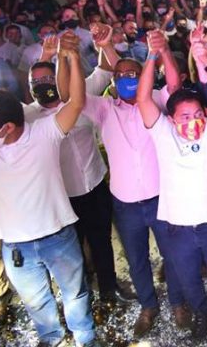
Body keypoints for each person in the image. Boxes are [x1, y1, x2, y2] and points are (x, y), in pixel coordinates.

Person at [0, 34, 97, 346]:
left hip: (57, 237)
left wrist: (71, 58)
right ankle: (51, 338)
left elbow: (76, 103)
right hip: (16, 247)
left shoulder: (45, 133)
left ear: (7, 128)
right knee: (36, 301)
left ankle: (85, 337)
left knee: (75, 293)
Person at [82, 31, 188, 337]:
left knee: (172, 254)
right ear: (113, 81)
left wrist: (163, 51)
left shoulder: (155, 100)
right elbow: (71, 96)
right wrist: (78, 56)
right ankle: (148, 305)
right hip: (125, 204)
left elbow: (175, 86)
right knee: (136, 259)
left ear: (144, 78)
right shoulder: (104, 109)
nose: (127, 79)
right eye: (121, 76)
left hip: (160, 197)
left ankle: (178, 303)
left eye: (133, 75)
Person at [25, 26, 134, 305]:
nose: (44, 84)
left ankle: (109, 287)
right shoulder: (29, 117)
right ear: (30, 88)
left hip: (94, 183)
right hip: (63, 195)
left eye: (48, 78)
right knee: (73, 250)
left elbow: (106, 69)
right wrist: (45, 56)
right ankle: (82, 295)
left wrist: (104, 44)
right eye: (37, 81)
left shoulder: (81, 95)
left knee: (102, 240)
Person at [137, 35, 207, 344]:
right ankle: (202, 313)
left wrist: (205, 61)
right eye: (185, 117)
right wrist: (151, 56)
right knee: (188, 280)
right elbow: (143, 100)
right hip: (178, 229)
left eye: (198, 115)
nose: (193, 121)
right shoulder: (163, 135)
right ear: (171, 119)